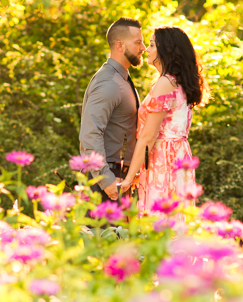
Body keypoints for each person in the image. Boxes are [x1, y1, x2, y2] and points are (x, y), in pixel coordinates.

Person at [119, 26, 206, 212]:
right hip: (177, 157)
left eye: (151, 45)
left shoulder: (166, 83)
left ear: (166, 50)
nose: (145, 49)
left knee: (159, 223)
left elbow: (148, 137)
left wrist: (129, 176)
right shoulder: (178, 82)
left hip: (163, 160)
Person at [79, 18, 146, 200]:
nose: (143, 48)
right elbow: (90, 134)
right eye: (138, 42)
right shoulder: (109, 82)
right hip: (105, 180)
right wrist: (105, 178)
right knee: (102, 230)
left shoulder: (121, 78)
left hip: (119, 178)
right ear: (120, 45)